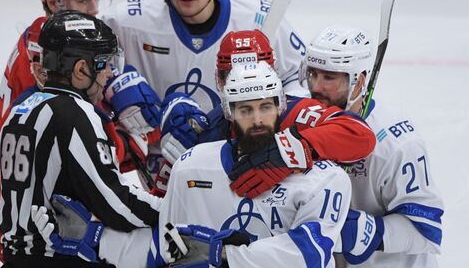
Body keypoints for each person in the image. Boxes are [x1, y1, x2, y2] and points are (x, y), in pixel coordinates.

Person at [30, 62, 353, 267]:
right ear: (228, 112)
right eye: (245, 110)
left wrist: (222, 254)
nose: (256, 120)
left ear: (280, 108)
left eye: (265, 107)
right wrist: (97, 238)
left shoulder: (324, 179)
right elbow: (169, 246)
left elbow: (310, 253)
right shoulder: (192, 165)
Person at [0, 0, 111, 261]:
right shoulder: (46, 51)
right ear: (53, 2)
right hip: (18, 204)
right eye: (83, 0)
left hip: (35, 190)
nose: (94, 9)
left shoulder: (62, 38)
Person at [0, 11, 165, 267]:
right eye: (105, 63)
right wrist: (171, 209)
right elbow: (116, 205)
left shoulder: (21, 109)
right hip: (57, 258)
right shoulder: (75, 113)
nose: (110, 73)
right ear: (81, 69)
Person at [101, 0, 307, 115]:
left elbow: (299, 77)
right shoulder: (128, 22)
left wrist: (278, 115)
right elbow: (85, 59)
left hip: (237, 148)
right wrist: (117, 87)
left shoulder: (256, 17)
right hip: (157, 152)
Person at [155, 29, 377, 198]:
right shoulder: (200, 132)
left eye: (258, 74)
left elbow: (359, 135)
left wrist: (290, 151)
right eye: (232, 76)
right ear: (219, 81)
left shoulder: (294, 112)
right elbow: (163, 209)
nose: (246, 86)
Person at [299, 24, 444, 267]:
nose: (316, 87)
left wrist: (371, 232)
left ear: (359, 81)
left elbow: (427, 230)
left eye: (329, 77)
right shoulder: (305, 124)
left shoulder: (397, 144)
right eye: (313, 74)